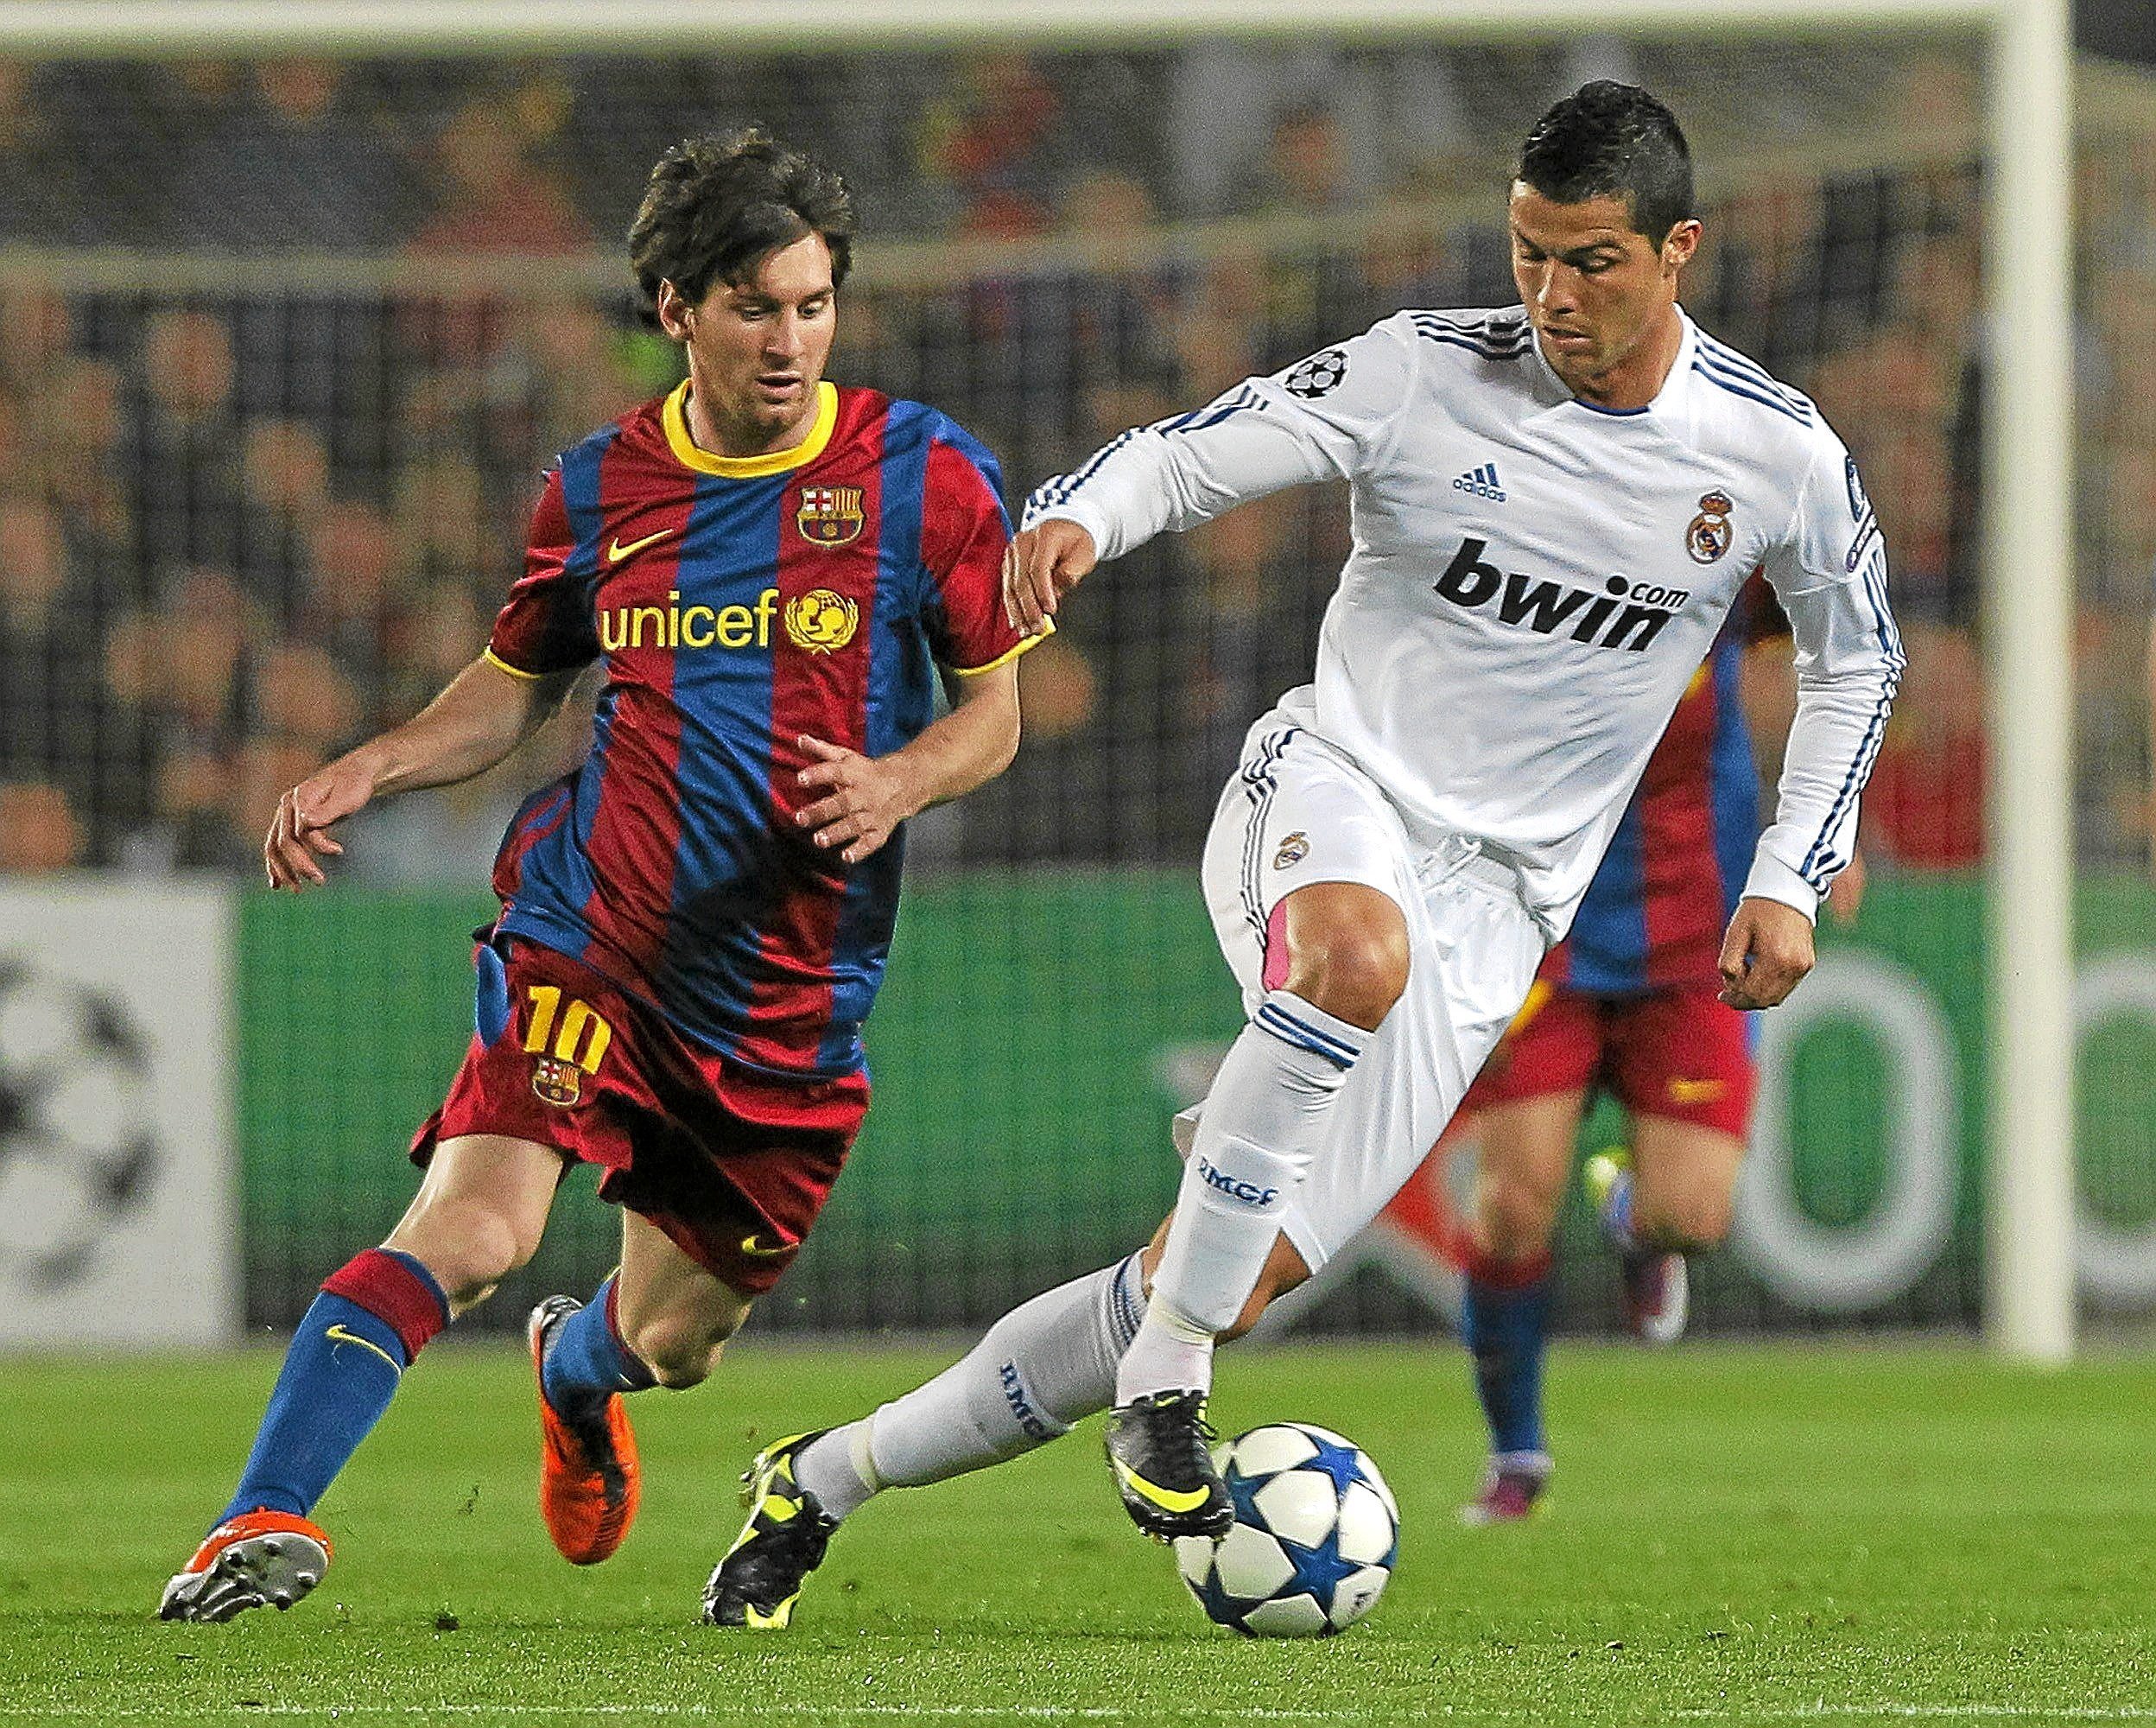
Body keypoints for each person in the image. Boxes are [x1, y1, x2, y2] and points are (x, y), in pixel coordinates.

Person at [701, 80, 1899, 1630]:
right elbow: (1213, 445)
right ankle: (1169, 1394)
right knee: (1345, 964)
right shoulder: (1423, 372)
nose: (1551, 295)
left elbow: (1855, 659)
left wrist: (1791, 868)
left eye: (1592, 262)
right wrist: (1081, 518)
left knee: (1205, 1271)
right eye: (1530, 254)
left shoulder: (1773, 452)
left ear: (1681, 250)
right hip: (1331, 784)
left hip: (1500, 917)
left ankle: (826, 1478)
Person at [157, 127, 1038, 1623]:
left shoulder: (923, 476)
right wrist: (370, 762)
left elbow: (995, 715)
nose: (789, 338)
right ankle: (259, 1517)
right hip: (596, 930)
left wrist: (897, 779)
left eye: (813, 305)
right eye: (756, 306)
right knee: (475, 1229)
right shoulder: (604, 487)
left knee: (679, 1341)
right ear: (674, 307)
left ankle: (578, 1375)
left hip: (785, 989)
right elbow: (512, 689)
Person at [1449, 584, 1865, 1526]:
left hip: (1692, 935)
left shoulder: (1717, 544)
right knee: (1514, 1201)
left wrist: (1818, 829)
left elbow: (1826, 651)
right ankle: (1516, 1450)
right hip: (1538, 931)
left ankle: (1635, 1218)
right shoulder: (1521, 545)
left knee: (1695, 1214)